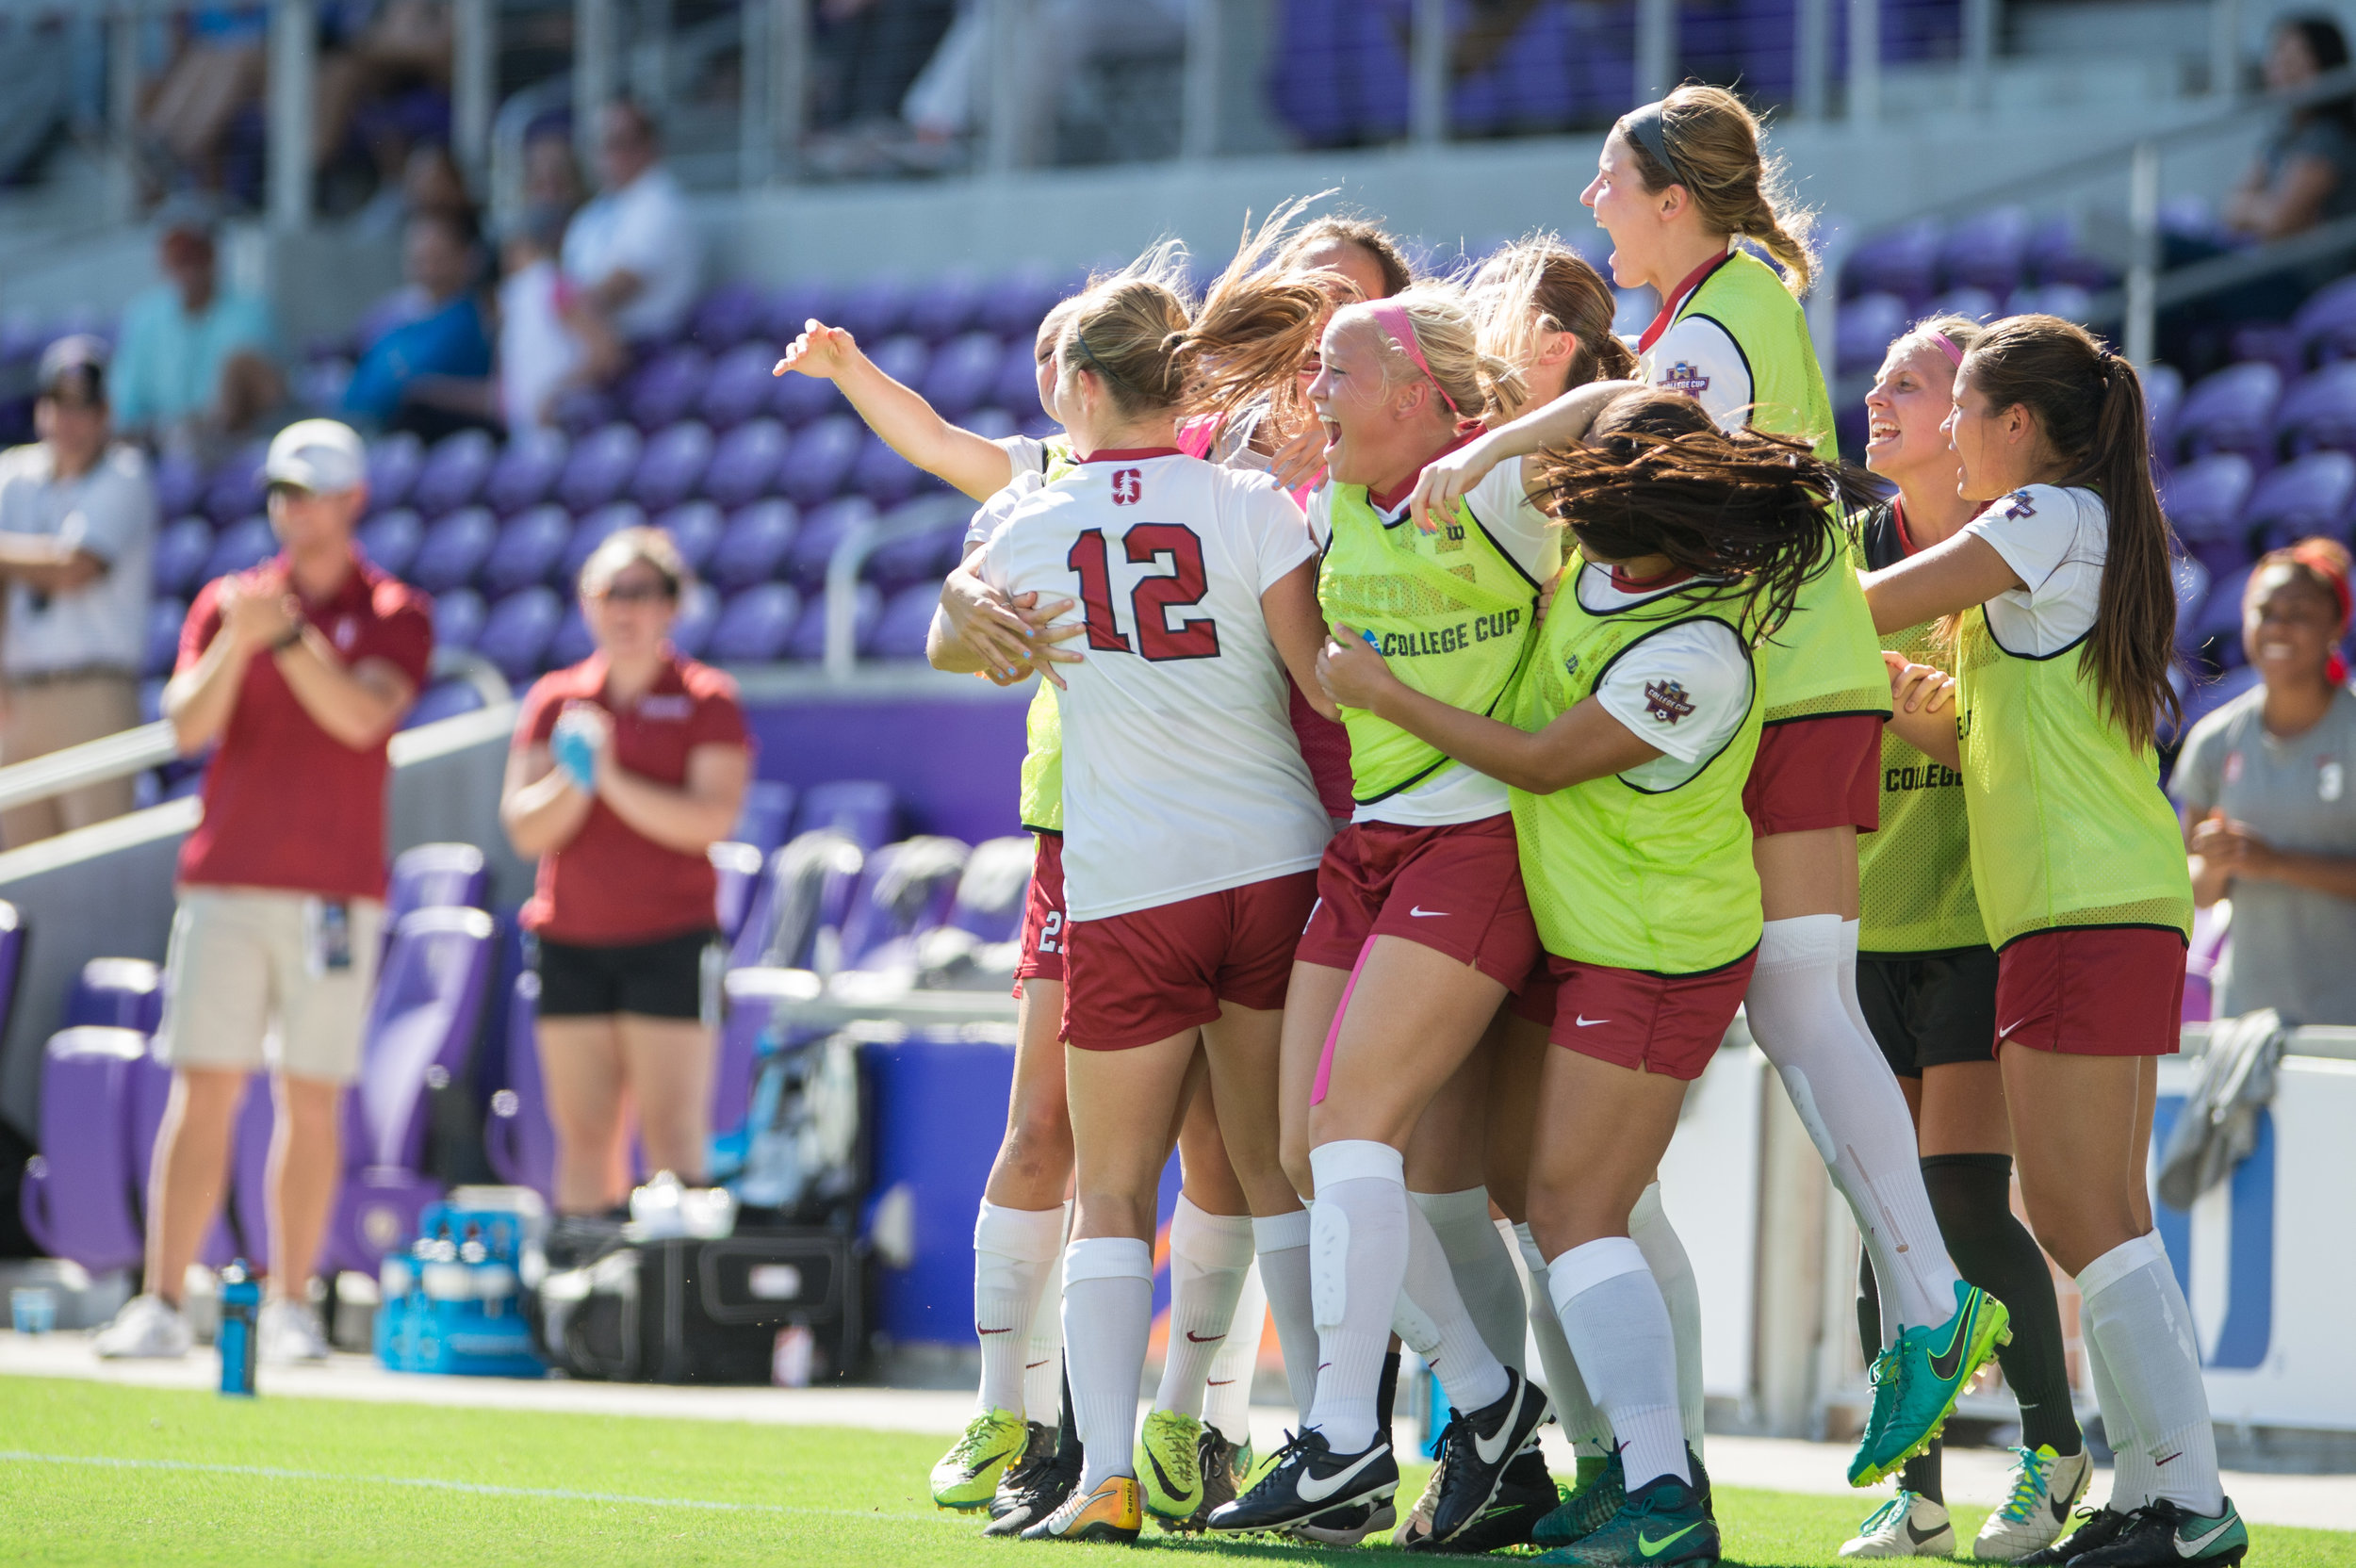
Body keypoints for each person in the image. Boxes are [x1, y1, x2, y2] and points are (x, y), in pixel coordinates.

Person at [1413, 83, 2003, 1497]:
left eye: (1610, 179)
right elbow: (1633, 408)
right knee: (1794, 1002)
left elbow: (1635, 445)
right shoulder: (1719, 308)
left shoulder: (1731, 313)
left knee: (1803, 997)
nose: (1591, 202)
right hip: (1782, 676)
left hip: (1790, 677)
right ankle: (1901, 1319)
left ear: (1677, 198)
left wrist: (1491, 446)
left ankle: (1931, 1307)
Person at [1312, 389, 1870, 1568]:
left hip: (1658, 948)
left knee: (1576, 1212)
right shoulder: (1615, 566)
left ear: (1649, 507)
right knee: (1539, 1200)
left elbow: (1535, 760)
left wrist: (1384, 693)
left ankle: (1666, 1491)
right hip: (1586, 937)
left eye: (1592, 481)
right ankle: (1626, 1467)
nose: (1568, 490)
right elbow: (1606, 402)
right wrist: (1497, 441)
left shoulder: (1697, 651)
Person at [941, 253, 1336, 1545]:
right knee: (1276, 1173)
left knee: (1112, 1190)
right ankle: (1333, 1447)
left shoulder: (1037, 523)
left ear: (1083, 386)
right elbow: (1320, 684)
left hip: (1131, 885)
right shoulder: (1250, 501)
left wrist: (959, 600)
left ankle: (1105, 1472)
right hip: (1274, 864)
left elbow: (956, 643)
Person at [1865, 315, 2246, 1568]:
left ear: (2017, 427)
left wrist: (1756, 590)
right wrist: (1925, 713)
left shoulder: (2043, 517)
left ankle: (2190, 1509)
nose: (1954, 439)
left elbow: (1870, 601)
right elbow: (2008, 748)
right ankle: (2152, 1491)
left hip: (2081, 909)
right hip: (2096, 902)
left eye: (1965, 410)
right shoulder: (2070, 526)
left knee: (2081, 1217)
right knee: (2104, 1214)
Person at [93, 419, 432, 1364]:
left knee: (310, 1095)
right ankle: (162, 1300)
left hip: (332, 889)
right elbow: (186, 727)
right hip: (226, 880)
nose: (292, 509)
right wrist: (240, 642)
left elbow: (363, 717)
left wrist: (280, 639)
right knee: (201, 1089)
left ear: (354, 500)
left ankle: (292, 1305)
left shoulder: (396, 608)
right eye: (281, 490)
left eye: (311, 491)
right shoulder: (229, 602)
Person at [1840, 315, 2091, 1562]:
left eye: (1913, 381)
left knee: (1962, 1213)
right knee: (1882, 1219)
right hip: (1862, 929)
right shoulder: (1845, 553)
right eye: (1879, 378)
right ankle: (1916, 1493)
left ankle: (2055, 1452)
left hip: (1981, 924)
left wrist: (1944, 735)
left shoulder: (2021, 550)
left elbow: (2057, 744)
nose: (1879, 395)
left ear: (1971, 419)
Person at [499, 528, 751, 1243]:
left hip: (670, 939)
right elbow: (525, 829)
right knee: (583, 1135)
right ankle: (590, 1301)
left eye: (642, 593)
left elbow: (708, 820)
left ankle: (673, 1316)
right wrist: (577, 781)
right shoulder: (555, 701)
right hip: (571, 939)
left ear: (672, 606)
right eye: (610, 593)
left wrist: (606, 776)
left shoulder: (706, 697)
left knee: (672, 1136)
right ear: (587, 604)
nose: (625, 609)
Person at [2173, 537, 2356, 1025]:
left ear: (2337, 624)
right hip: (2245, 1018)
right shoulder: (2213, 740)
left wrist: (2274, 862)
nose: (2277, 625)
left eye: (2298, 612)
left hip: (2346, 1022)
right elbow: (2194, 891)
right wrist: (2215, 864)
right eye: (2264, 611)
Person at [0, 337, 156, 847]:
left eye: (81, 408)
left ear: (104, 413)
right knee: (20, 876)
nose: (67, 421)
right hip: (18, 694)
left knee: (96, 867)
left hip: (94, 691)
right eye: (56, 405)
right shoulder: (13, 475)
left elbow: (75, 568)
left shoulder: (125, 474)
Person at [110, 204, 283, 448]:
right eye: (177, 252)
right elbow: (126, 407)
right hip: (159, 448)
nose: (187, 261)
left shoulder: (251, 311)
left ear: (212, 254)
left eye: (195, 250)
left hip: (234, 448)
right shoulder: (143, 316)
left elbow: (256, 396)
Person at [560, 100, 701, 361]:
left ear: (649, 146)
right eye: (601, 144)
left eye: (618, 142)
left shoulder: (661, 203)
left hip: (646, 352)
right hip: (590, 341)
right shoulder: (596, 210)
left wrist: (561, 309)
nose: (608, 155)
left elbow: (616, 289)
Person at [341, 209, 494, 440]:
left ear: (464, 258)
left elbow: (407, 382)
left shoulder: (467, 319)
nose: (427, 267)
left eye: (437, 257)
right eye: (419, 257)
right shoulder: (397, 312)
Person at [2224, 15, 2356, 240]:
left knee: (2162, 246)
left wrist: (2255, 210)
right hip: (2262, 257)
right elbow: (2230, 208)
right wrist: (2264, 210)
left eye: (2295, 60)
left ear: (2325, 65)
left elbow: (2279, 222)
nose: (2284, 71)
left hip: (2302, 271)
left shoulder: (2328, 136)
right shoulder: (2282, 134)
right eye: (2277, 58)